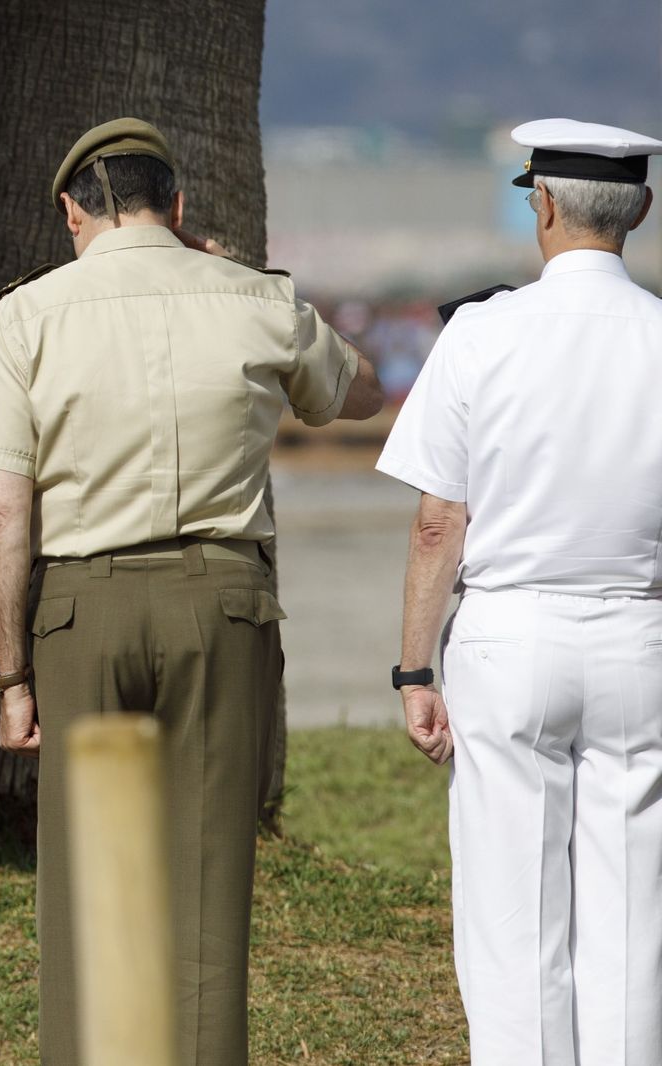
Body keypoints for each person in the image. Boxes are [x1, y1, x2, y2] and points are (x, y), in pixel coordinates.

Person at [0, 118, 383, 1065]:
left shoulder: (28, 315)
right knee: (207, 882)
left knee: (86, 887)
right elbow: (361, 391)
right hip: (221, 604)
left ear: (74, 212)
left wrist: (12, 674)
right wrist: (251, 286)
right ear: (177, 208)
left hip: (79, 610)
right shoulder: (251, 298)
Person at [378, 118, 662, 1066]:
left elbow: (436, 524)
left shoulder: (482, 334)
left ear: (542, 205)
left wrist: (415, 665)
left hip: (510, 636)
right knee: (631, 924)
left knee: (513, 921)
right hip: (638, 636)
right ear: (641, 211)